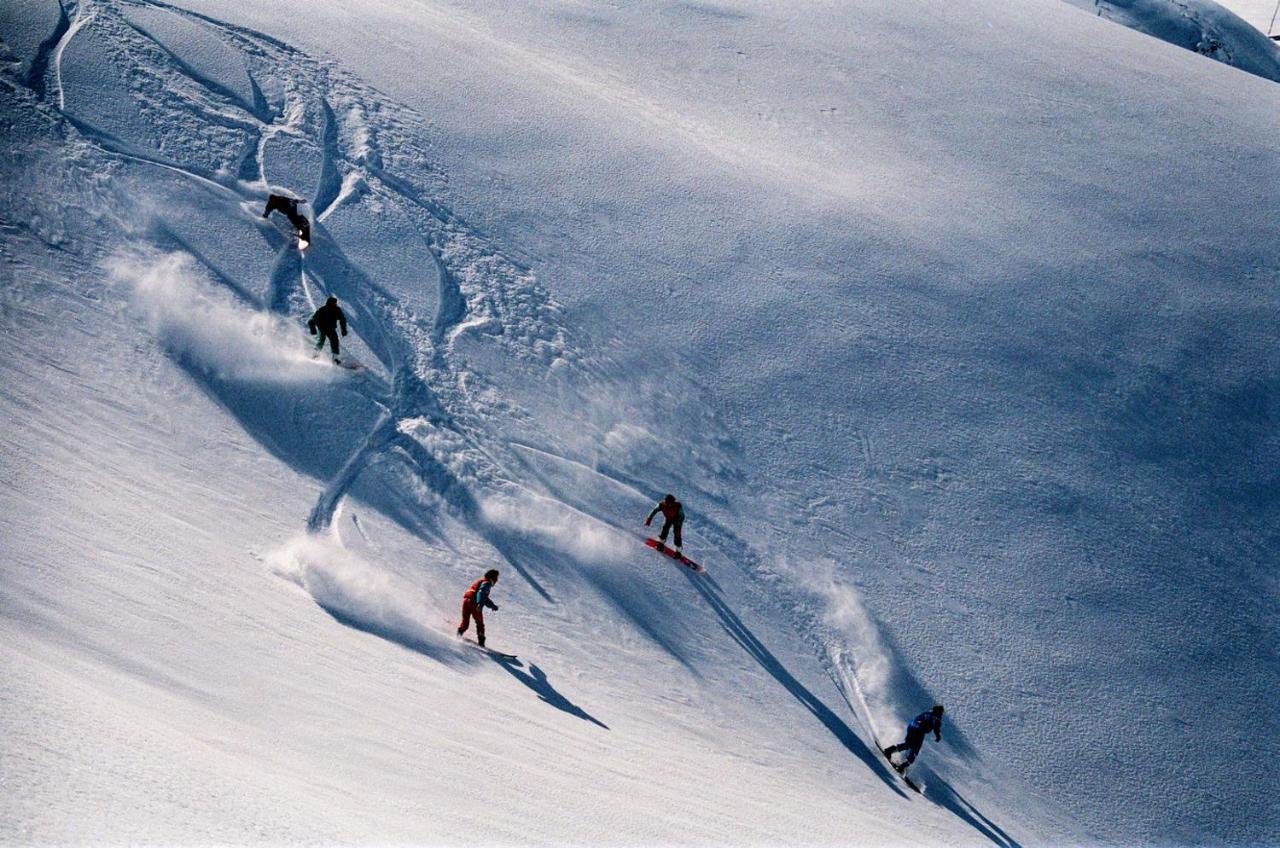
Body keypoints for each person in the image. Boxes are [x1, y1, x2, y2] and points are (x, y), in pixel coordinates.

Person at [883, 705, 944, 773]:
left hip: (914, 727)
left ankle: (890, 751)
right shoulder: (930, 715)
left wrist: (938, 735)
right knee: (914, 749)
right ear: (937, 711)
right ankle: (902, 766)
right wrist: (922, 725)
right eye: (940, 713)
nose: (941, 714)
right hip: (917, 729)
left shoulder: (935, 718)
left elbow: (936, 728)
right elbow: (925, 721)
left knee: (909, 745)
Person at [457, 569, 500, 647]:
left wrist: (492, 606)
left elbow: (485, 598)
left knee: (465, 621)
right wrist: (480, 604)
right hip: (474, 603)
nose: (496, 580)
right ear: (492, 578)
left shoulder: (481, 581)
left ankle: (458, 634)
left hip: (466, 601)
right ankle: (481, 642)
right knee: (480, 623)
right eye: (496, 578)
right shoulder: (487, 583)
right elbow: (481, 593)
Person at [307, 296, 348, 363]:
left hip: (331, 328)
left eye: (335, 303)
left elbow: (342, 319)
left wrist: (343, 330)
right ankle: (315, 355)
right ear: (329, 303)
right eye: (334, 303)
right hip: (322, 328)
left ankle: (335, 358)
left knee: (334, 340)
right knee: (322, 339)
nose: (335, 305)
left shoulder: (337, 310)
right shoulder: (322, 310)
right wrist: (313, 330)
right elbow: (311, 321)